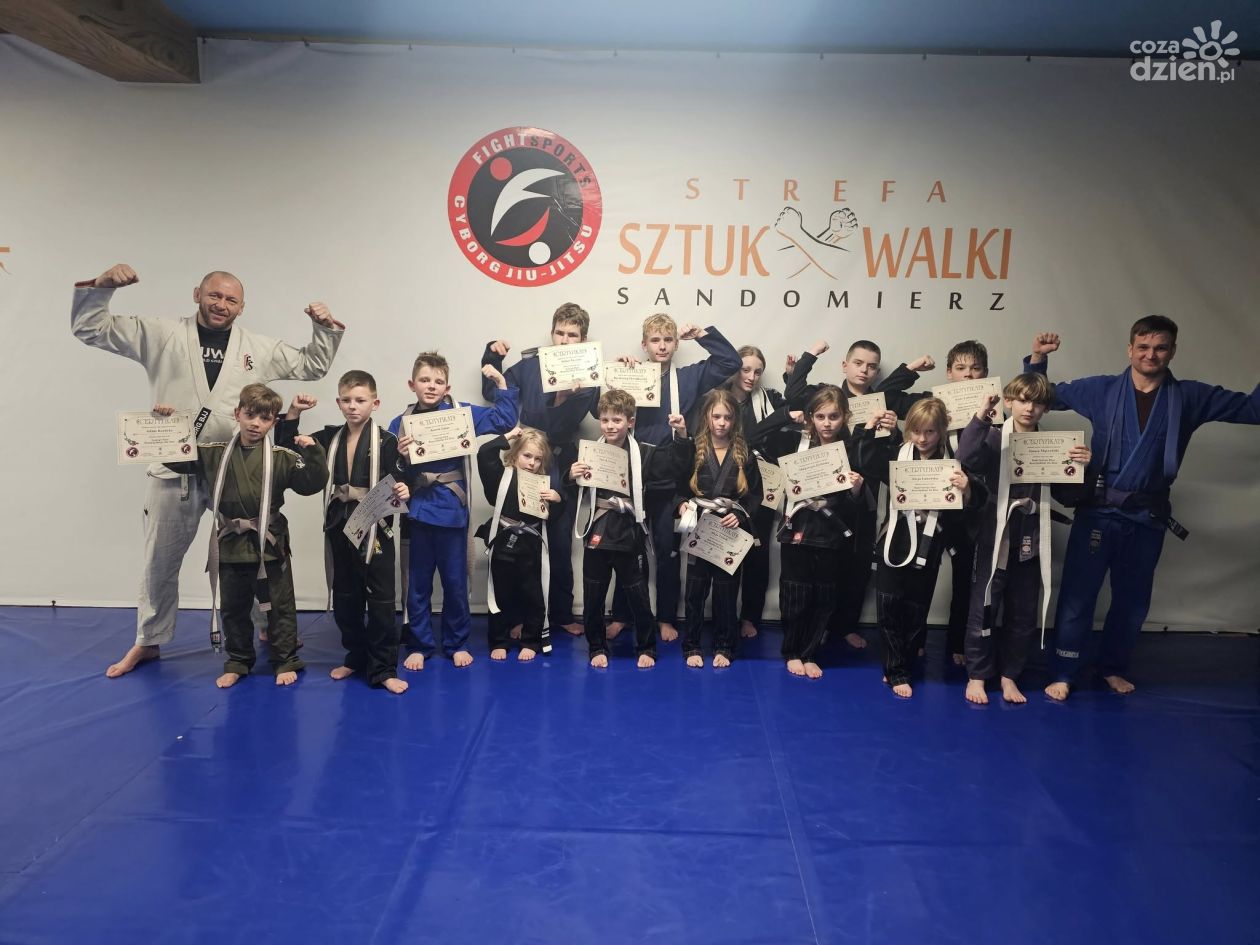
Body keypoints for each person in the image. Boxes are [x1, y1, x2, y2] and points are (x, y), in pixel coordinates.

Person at [71, 263, 343, 678]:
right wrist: (101, 288)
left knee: (253, 547)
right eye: (214, 295)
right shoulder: (161, 334)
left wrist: (323, 328)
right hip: (175, 468)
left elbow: (313, 365)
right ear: (197, 294)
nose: (221, 304)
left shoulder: (256, 347)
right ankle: (149, 639)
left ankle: (266, 624)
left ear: (242, 307)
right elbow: (91, 328)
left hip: (236, 468)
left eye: (231, 299)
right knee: (159, 560)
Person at [1028, 316, 1260, 699]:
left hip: (1146, 516)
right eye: (1143, 347)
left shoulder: (1190, 396)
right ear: (1130, 349)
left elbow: (1252, 410)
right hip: (1097, 511)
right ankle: (1064, 670)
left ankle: (1112, 667)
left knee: (1132, 601)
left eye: (1160, 347)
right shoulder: (1101, 389)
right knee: (1078, 596)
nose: (1151, 355)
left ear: (1173, 351)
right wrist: (1038, 359)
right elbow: (1040, 396)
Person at [159, 384, 329, 688]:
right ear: (237, 413)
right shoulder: (214, 454)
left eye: (264, 419)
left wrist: (314, 452)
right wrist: (167, 424)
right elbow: (174, 458)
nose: (255, 424)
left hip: (269, 543)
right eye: (250, 415)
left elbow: (311, 484)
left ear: (273, 422)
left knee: (280, 606)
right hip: (230, 544)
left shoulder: (281, 457)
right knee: (233, 607)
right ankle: (238, 660)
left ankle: (285, 659)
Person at [956, 377, 1092, 705]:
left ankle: (1009, 675)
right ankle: (977, 674)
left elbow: (1069, 496)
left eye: (1037, 402)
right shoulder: (993, 438)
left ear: (1046, 408)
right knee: (984, 606)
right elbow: (966, 458)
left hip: (1031, 536)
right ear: (1008, 402)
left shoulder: (1053, 446)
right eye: (1022, 400)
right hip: (994, 536)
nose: (1029, 408)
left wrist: (1081, 468)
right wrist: (980, 417)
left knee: (1023, 611)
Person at [608, 314, 740, 643]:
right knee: (627, 548)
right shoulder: (632, 375)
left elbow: (731, 362)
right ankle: (622, 614)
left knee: (667, 550)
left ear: (676, 344)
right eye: (655, 340)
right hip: (633, 472)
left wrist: (703, 334)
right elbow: (607, 412)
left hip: (670, 477)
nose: (662, 346)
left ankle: (666, 616)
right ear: (644, 345)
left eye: (668, 340)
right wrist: (618, 375)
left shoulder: (688, 377)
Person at [276, 372, 411, 693]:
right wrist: (293, 415)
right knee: (346, 596)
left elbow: (404, 479)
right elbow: (286, 449)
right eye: (347, 400)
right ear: (338, 403)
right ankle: (356, 656)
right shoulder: (328, 437)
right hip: (339, 524)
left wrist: (406, 479)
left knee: (380, 600)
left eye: (360, 400)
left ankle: (383, 668)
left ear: (375, 403)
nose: (353, 406)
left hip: (376, 527)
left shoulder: (388, 441)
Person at [390, 353, 518, 670]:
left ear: (447, 387)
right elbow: (388, 471)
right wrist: (399, 456)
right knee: (417, 584)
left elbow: (504, 420)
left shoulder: (461, 414)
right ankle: (420, 644)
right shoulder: (400, 423)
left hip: (451, 510)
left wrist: (502, 384)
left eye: (438, 381)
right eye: (424, 380)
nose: (431, 386)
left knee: (455, 583)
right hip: (418, 512)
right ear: (412, 384)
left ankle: (456, 643)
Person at [481, 303, 598, 637]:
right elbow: (493, 390)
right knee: (521, 538)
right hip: (528, 456)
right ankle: (518, 616)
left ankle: (561, 613)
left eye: (572, 335)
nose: (564, 340)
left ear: (583, 339)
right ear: (552, 333)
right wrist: (493, 357)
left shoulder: (588, 376)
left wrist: (568, 397)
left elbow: (592, 416)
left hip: (559, 460)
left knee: (559, 541)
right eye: (560, 333)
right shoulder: (532, 365)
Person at [764, 384, 892, 679]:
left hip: (832, 535)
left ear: (845, 416)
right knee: (794, 593)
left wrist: (856, 490)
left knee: (823, 596)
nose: (827, 423)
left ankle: (809, 653)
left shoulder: (851, 450)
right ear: (811, 417)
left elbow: (853, 507)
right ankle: (792, 651)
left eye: (834, 416)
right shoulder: (795, 444)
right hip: (797, 531)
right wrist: (786, 414)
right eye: (820, 416)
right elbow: (755, 436)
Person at [567, 389, 687, 669]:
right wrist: (570, 475)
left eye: (617, 420)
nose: (610, 426)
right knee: (593, 594)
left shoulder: (645, 453)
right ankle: (597, 647)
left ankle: (647, 647)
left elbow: (676, 467)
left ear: (630, 422)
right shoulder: (590, 452)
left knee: (638, 595)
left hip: (629, 531)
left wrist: (681, 436)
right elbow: (572, 490)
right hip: (597, 528)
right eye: (605, 420)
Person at [873, 398, 974, 698]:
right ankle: (895, 669)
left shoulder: (954, 462)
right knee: (888, 605)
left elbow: (968, 507)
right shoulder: (896, 455)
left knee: (916, 609)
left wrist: (966, 489)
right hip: (894, 540)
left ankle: (902, 660)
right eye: (916, 431)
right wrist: (870, 430)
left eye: (930, 431)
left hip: (930, 543)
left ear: (942, 430)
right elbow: (864, 459)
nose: (922, 438)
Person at [675, 389, 763, 668]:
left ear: (735, 419)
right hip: (701, 527)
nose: (722, 422)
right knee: (695, 591)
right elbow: (678, 486)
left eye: (727, 417)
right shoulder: (693, 449)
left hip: (729, 530)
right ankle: (692, 645)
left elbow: (755, 495)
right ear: (707, 417)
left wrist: (740, 515)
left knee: (726, 592)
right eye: (716, 416)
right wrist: (681, 504)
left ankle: (725, 646)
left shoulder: (744, 453)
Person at [717, 345, 799, 639]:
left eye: (758, 371)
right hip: (725, 481)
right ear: (734, 369)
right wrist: (782, 417)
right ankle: (723, 615)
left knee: (757, 551)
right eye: (746, 369)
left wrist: (791, 379)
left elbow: (797, 408)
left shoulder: (771, 399)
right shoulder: (719, 401)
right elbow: (745, 438)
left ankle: (750, 616)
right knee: (724, 548)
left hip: (763, 483)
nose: (752, 376)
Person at [475, 427, 563, 662]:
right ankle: (499, 641)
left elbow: (553, 517)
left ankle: (531, 641)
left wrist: (557, 500)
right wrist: (507, 437)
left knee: (533, 595)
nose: (532, 463)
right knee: (500, 594)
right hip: (503, 542)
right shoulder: (500, 477)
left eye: (538, 459)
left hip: (531, 546)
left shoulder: (542, 484)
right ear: (514, 455)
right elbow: (484, 453)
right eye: (527, 456)